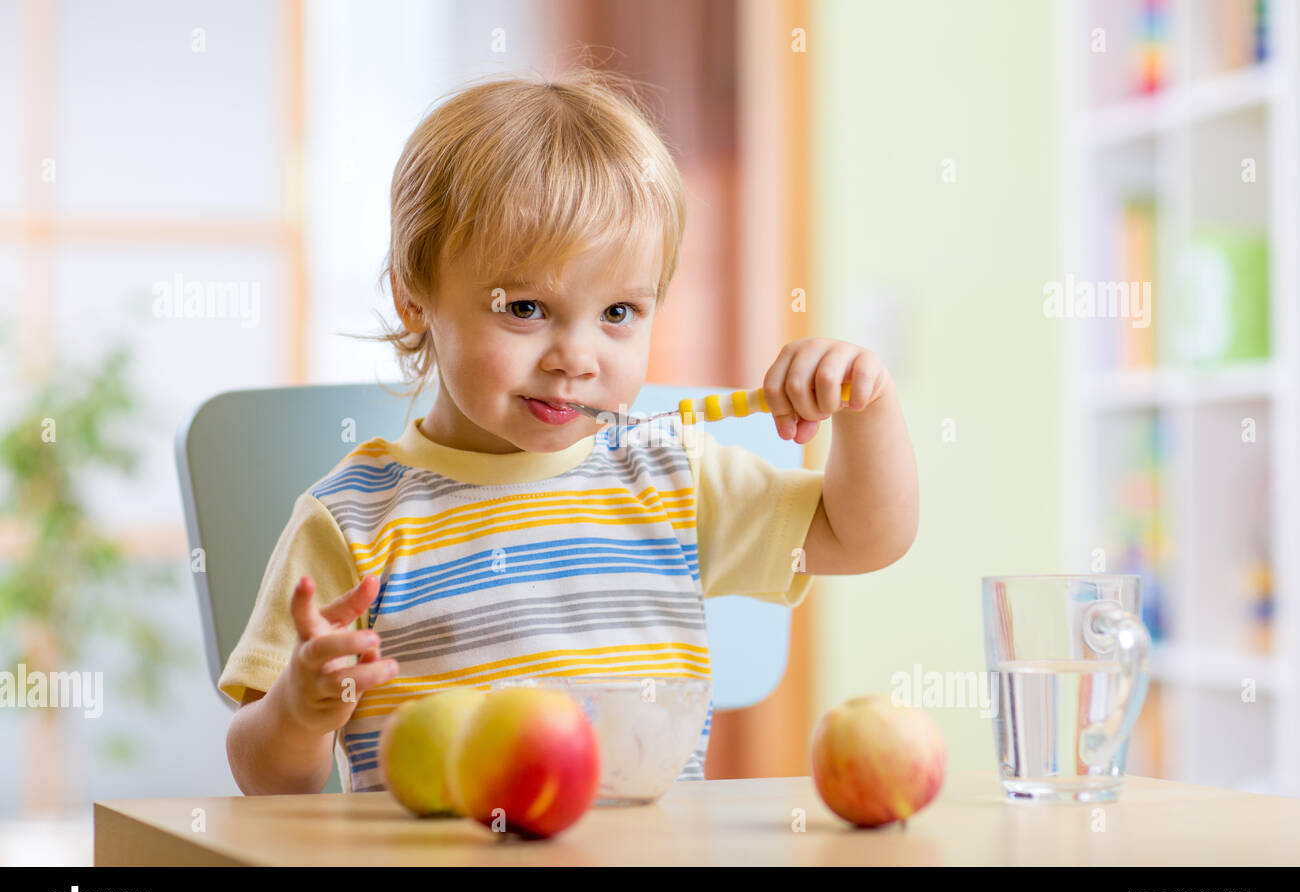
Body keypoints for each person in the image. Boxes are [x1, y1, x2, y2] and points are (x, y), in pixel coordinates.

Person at [221, 68, 918, 796]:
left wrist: (867, 411)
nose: (577, 359)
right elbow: (267, 784)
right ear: (413, 297)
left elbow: (864, 535)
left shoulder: (671, 475)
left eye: (619, 313)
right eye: (525, 308)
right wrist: (300, 713)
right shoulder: (352, 520)